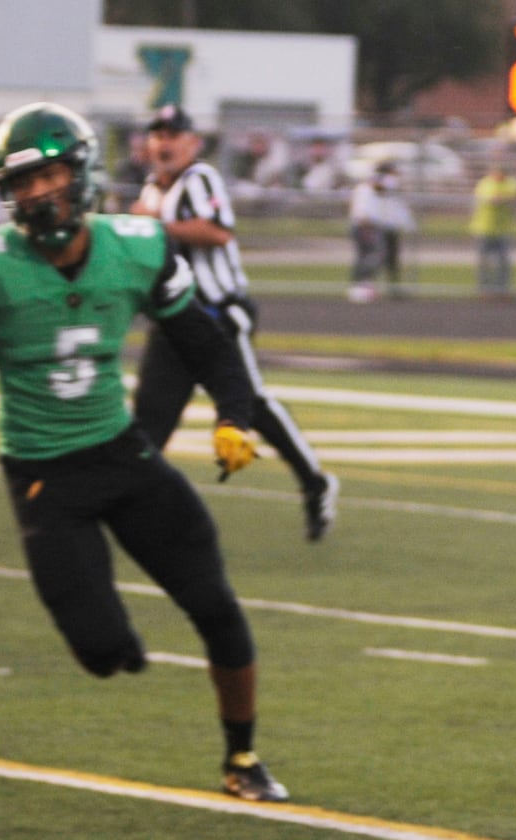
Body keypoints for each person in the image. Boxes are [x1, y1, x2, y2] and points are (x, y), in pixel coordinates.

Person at [0, 102, 288, 802]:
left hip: (122, 455)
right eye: (23, 182)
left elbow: (201, 339)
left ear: (82, 171)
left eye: (51, 174)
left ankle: (242, 758)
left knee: (216, 606)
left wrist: (234, 416)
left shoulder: (139, 245)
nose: (38, 193)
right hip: (43, 475)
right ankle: (114, 647)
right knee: (102, 652)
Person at [129, 104, 338, 542]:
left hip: (217, 314)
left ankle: (314, 481)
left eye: (173, 133)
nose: (164, 141)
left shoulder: (199, 178)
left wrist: (157, 225)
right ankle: (135, 509)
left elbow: (219, 231)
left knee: (250, 403)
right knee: (149, 420)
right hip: (171, 322)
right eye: (157, 133)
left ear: (193, 142)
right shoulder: (149, 189)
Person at [348, 160, 415, 302]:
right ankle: (360, 285)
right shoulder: (369, 187)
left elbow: (395, 207)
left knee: (387, 258)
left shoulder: (388, 193)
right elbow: (376, 190)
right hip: (366, 226)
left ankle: (379, 287)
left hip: (383, 227)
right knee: (373, 255)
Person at [469, 161, 516, 296]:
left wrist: (504, 198)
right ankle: (484, 289)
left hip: (503, 229)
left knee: (503, 261)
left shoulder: (512, 183)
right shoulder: (485, 183)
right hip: (484, 228)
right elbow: (486, 197)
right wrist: (502, 198)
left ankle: (502, 289)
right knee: (484, 261)